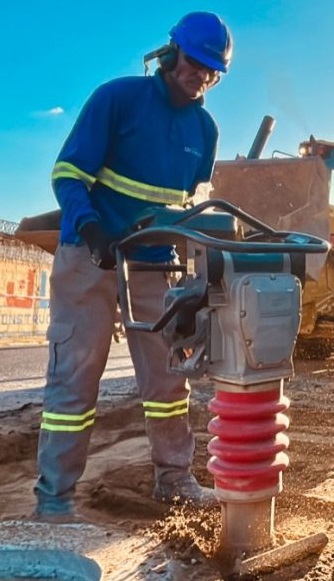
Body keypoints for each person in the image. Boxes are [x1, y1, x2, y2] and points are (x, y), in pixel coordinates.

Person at [34, 12, 233, 523]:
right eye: (195, 63)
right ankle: (55, 500)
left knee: (169, 380)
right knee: (75, 379)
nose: (201, 77)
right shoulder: (117, 99)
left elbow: (186, 206)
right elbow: (68, 174)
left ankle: (175, 479)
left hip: (152, 264)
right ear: (170, 54)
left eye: (213, 72)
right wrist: (92, 228)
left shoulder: (204, 130)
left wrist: (195, 266)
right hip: (91, 255)